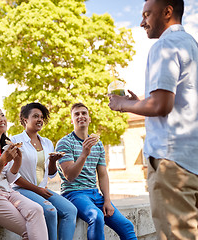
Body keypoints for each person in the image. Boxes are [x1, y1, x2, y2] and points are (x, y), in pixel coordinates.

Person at [109, 0, 198, 238]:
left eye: (147, 14)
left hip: (172, 163)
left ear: (167, 11)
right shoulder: (191, 44)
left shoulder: (164, 45)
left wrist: (123, 105)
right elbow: (178, 101)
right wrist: (141, 100)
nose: (142, 22)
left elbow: (161, 105)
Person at [55, 103, 137, 240]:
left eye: (84, 113)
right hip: (73, 193)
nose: (81, 116)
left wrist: (107, 200)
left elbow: (103, 175)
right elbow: (69, 176)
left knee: (127, 226)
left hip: (95, 194)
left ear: (89, 118)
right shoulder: (64, 143)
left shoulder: (97, 144)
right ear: (71, 120)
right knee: (96, 216)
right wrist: (84, 154)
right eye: (76, 114)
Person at [0, 104, 48, 240]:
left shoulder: (7, 144)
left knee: (36, 209)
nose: (2, 119)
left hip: (7, 191)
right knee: (30, 230)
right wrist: (2, 161)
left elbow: (9, 179)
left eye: (2, 115)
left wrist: (17, 161)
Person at [10, 102, 77, 240]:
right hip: (21, 189)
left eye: (41, 117)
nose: (40, 119)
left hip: (41, 190)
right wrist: (37, 190)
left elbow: (51, 174)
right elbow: (12, 176)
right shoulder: (15, 141)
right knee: (50, 211)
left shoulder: (47, 143)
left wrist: (53, 161)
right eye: (35, 116)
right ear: (25, 119)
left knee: (71, 210)